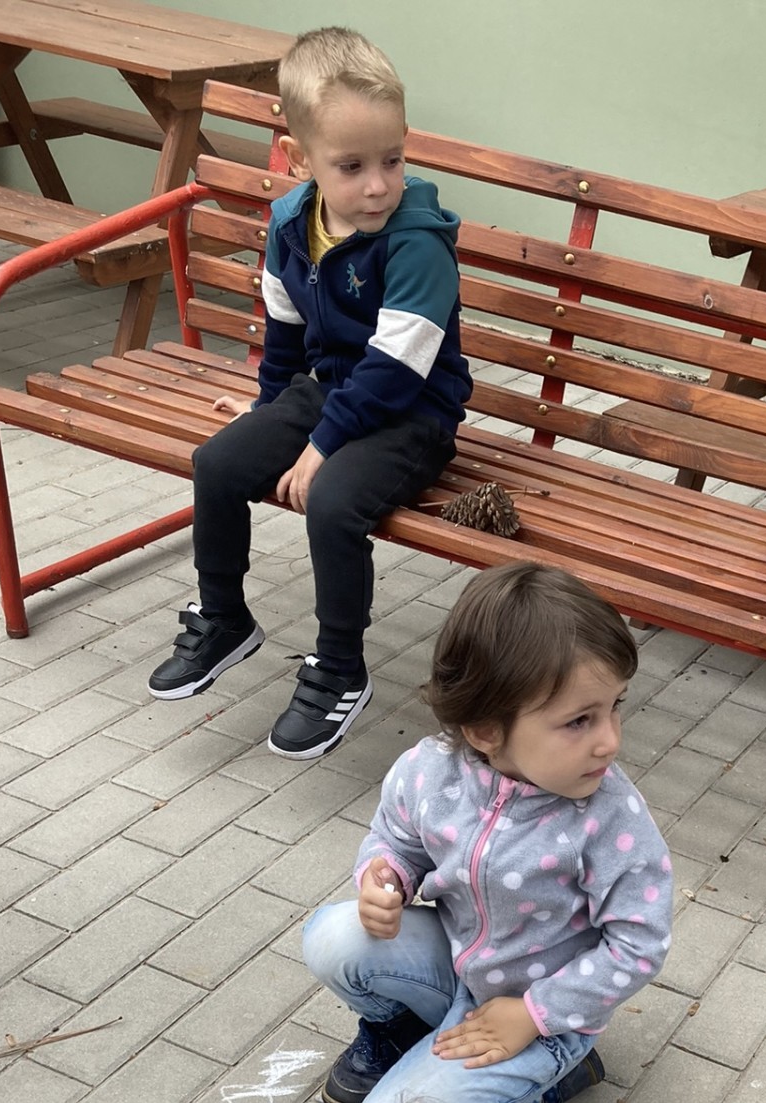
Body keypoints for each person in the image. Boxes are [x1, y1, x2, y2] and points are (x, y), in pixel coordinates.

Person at [147, 26, 471, 760]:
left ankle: (340, 667)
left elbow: (396, 370)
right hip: (331, 394)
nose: (378, 184)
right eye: (351, 166)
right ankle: (224, 618)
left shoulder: (417, 242)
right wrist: (270, 413)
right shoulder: (292, 224)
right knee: (217, 464)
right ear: (300, 160)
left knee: (331, 502)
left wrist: (322, 447)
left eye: (391, 160)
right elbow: (286, 332)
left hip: (413, 414)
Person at [303, 561, 673, 1103]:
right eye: (579, 720)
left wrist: (534, 1014)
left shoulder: (609, 817)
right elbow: (396, 840)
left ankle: (553, 1080)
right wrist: (383, 878)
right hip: (456, 967)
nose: (609, 740)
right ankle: (403, 1029)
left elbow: (639, 944)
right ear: (484, 730)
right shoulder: (430, 771)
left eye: (614, 707)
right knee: (331, 936)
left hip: (544, 1016)